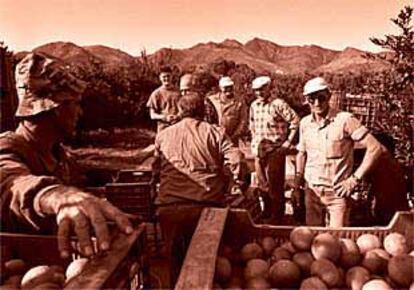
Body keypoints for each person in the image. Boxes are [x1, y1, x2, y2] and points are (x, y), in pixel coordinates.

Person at [0, 52, 133, 258]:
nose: (80, 112)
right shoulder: (9, 146)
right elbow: (11, 184)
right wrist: (57, 197)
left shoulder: (60, 155)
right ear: (56, 108)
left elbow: (81, 187)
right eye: (75, 103)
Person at [152, 92, 244, 287]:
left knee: (174, 260)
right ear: (203, 110)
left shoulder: (163, 135)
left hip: (169, 207)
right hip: (205, 209)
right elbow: (236, 159)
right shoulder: (215, 133)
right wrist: (232, 180)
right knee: (206, 265)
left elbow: (156, 167)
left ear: (179, 111)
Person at [293, 77, 385, 227]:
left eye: (321, 98)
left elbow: (375, 148)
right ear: (306, 100)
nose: (317, 103)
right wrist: (297, 185)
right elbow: (301, 153)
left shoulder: (345, 120)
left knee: (337, 242)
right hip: (312, 193)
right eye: (312, 99)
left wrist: (354, 180)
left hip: (337, 195)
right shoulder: (305, 124)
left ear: (329, 96)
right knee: (312, 242)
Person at [249, 76, 300, 224]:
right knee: (262, 182)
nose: (259, 93)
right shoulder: (254, 106)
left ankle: (277, 217)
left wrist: (288, 142)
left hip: (276, 148)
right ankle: (267, 211)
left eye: (261, 89)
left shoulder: (278, 104)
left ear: (268, 88)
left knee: (275, 185)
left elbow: (295, 121)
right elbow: (252, 124)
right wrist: (254, 140)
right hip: (260, 147)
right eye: (256, 90)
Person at [207, 76, 248, 145]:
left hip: (232, 139)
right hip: (215, 138)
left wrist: (234, 135)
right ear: (220, 88)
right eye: (225, 87)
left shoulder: (239, 102)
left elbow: (243, 121)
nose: (228, 89)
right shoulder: (212, 100)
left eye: (230, 86)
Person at [146, 66, 181, 132]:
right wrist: (164, 117)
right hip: (163, 128)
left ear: (172, 76)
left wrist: (178, 116)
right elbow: (152, 115)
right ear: (160, 78)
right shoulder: (156, 94)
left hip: (178, 126)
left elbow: (184, 109)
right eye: (164, 77)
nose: (166, 78)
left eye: (168, 76)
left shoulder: (179, 92)